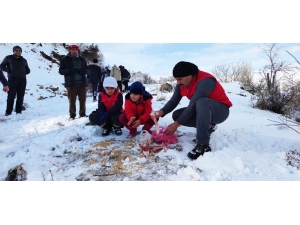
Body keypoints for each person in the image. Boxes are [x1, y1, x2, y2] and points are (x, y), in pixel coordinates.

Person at [155, 61, 233, 160]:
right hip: (204, 109)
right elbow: (173, 101)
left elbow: (193, 104)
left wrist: (176, 124)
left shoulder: (205, 81)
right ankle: (208, 126)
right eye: (176, 80)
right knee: (177, 115)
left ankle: (203, 145)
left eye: (180, 79)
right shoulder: (182, 84)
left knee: (201, 101)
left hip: (220, 111)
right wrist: (161, 112)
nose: (178, 83)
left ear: (190, 76)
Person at [59, 44, 90, 119]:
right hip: (71, 84)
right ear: (69, 50)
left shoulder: (82, 59)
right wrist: (70, 70)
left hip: (82, 83)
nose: (75, 51)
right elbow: (61, 71)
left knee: (83, 100)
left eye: (76, 50)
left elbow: (88, 71)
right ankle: (72, 115)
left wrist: (83, 71)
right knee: (72, 101)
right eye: (73, 50)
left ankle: (82, 114)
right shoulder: (65, 59)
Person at [0, 45, 30, 116]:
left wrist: (26, 71)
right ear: (13, 51)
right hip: (12, 79)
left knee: (21, 96)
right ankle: (8, 112)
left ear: (21, 52)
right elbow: (1, 66)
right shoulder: (8, 58)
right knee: (11, 96)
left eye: (19, 50)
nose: (18, 52)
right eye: (16, 50)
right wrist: (8, 70)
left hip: (22, 80)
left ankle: (18, 112)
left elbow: (27, 69)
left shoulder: (24, 60)